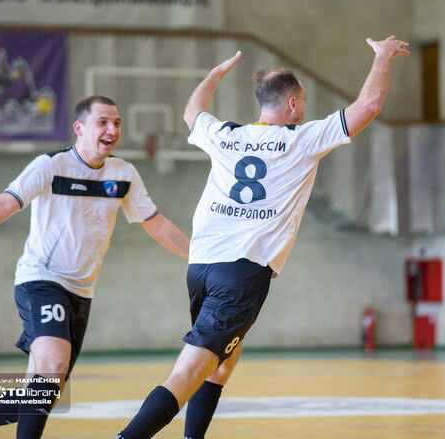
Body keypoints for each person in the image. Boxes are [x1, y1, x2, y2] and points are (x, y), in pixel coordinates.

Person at [115, 35, 409, 439]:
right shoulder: (302, 139)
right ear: (293, 103)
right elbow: (370, 105)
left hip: (201, 268)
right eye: (303, 102)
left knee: (222, 363)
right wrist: (383, 56)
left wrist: (213, 76)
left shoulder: (226, 135)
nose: (304, 109)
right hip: (241, 274)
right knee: (187, 373)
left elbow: (192, 111)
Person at [0, 96, 190, 439]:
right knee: (52, 368)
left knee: (42, 392)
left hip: (82, 292)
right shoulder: (51, 166)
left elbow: (156, 223)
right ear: (79, 128)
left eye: (117, 123)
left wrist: (199, 255)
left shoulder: (123, 174)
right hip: (42, 279)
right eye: (102, 122)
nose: (112, 130)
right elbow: (4, 202)